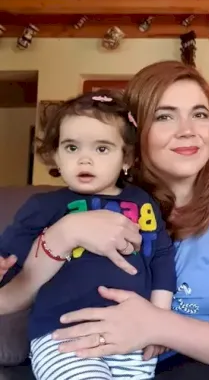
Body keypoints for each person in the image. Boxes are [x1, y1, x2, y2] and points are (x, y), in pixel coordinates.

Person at [2, 61, 209, 379]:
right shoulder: (90, 195)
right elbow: (13, 295)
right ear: (135, 134)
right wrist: (65, 233)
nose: (187, 130)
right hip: (77, 349)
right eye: (164, 116)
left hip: (189, 362)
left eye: (200, 114)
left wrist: (156, 325)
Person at [0, 90, 176, 379]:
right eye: (71, 147)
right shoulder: (42, 206)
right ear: (56, 155)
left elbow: (162, 259)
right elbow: (10, 259)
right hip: (63, 336)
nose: (84, 159)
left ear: (126, 159)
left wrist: (160, 320)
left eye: (102, 149)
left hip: (133, 336)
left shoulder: (143, 203)